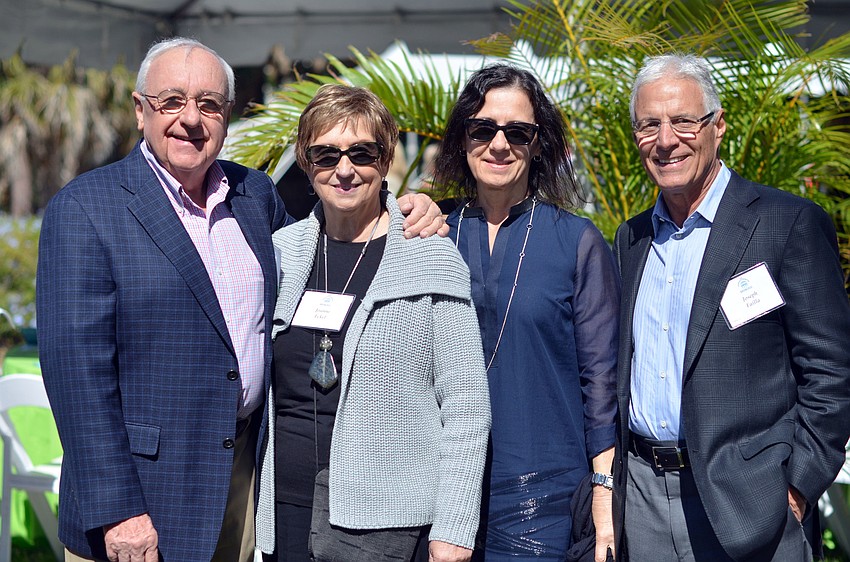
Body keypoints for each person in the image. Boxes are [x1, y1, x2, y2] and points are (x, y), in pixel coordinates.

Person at [36, 37, 445, 562]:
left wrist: (403, 208)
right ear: (141, 110)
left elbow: (333, 239)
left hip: (244, 481)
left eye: (208, 104)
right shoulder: (86, 209)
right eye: (171, 101)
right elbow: (76, 380)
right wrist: (119, 511)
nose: (191, 119)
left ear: (227, 115)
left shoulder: (254, 195)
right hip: (142, 496)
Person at [612, 53, 850, 562]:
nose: (666, 140)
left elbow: (831, 372)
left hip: (753, 507)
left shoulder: (786, 223)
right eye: (649, 125)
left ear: (717, 126)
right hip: (643, 502)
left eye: (683, 121)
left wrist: (797, 488)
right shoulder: (631, 239)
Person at [253, 84, 491, 562]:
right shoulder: (282, 253)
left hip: (388, 524)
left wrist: (455, 527)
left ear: (384, 159)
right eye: (325, 154)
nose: (344, 169)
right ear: (306, 162)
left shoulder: (429, 256)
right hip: (284, 511)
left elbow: (467, 404)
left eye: (361, 153)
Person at [433, 63, 620, 562]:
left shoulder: (577, 241)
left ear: (538, 144)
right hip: (439, 499)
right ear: (463, 137)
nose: (499, 144)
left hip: (545, 506)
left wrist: (604, 497)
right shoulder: (432, 234)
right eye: (483, 129)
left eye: (517, 132)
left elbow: (602, 385)